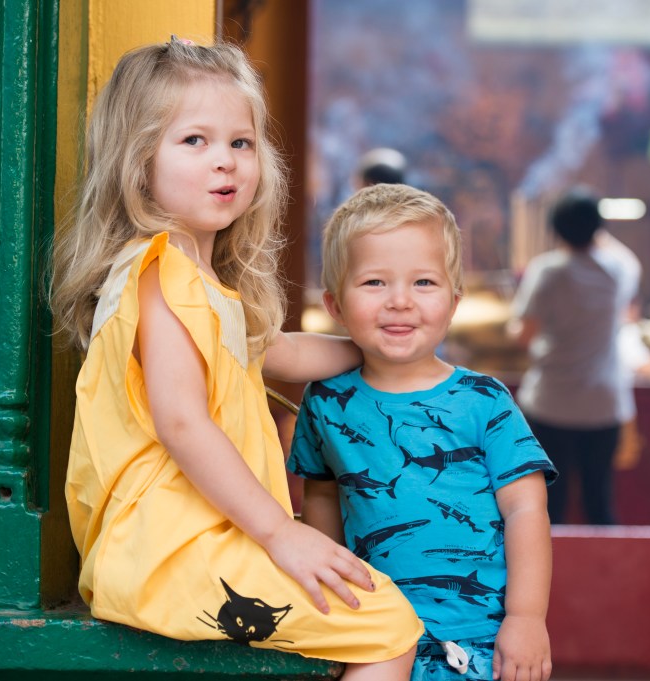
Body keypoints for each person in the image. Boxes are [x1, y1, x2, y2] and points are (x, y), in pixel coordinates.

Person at [49, 38, 421, 678]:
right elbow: (182, 423)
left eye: (240, 142)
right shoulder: (161, 272)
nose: (225, 160)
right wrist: (281, 533)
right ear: (138, 161)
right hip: (168, 552)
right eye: (194, 140)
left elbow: (278, 352)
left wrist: (379, 343)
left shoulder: (199, 281)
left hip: (188, 543)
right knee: (383, 622)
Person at [287, 183, 557, 681]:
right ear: (334, 304)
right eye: (374, 282)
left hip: (478, 641)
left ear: (454, 301)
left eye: (424, 283)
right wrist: (330, 599)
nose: (400, 301)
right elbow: (322, 497)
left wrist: (526, 618)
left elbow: (527, 509)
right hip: (373, 638)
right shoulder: (325, 401)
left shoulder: (484, 400)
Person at [509, 186, 641, 526]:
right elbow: (626, 257)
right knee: (599, 503)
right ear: (598, 228)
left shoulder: (548, 271)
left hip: (551, 403)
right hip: (603, 404)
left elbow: (524, 336)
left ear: (554, 229)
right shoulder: (617, 271)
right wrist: (594, 229)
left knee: (549, 506)